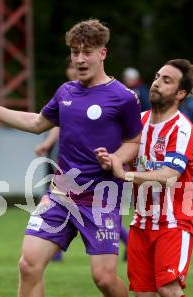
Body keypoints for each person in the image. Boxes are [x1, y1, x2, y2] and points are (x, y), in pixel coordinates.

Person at [0, 19, 142, 297]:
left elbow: (134, 142)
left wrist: (116, 158)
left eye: (87, 52)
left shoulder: (123, 97)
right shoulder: (65, 92)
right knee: (29, 265)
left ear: (102, 53)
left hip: (101, 197)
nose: (80, 59)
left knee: (104, 278)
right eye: (75, 52)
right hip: (62, 192)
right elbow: (36, 122)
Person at [96, 59, 193, 297]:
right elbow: (122, 157)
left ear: (181, 93)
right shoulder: (141, 122)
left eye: (168, 80)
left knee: (168, 288)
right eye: (158, 77)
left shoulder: (183, 129)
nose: (158, 83)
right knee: (144, 296)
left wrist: (125, 172)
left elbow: (170, 176)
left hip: (174, 222)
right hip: (141, 224)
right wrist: (111, 158)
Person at [35, 58, 130, 262]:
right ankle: (55, 251)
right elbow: (51, 123)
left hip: (90, 170)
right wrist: (48, 143)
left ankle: (129, 241)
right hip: (67, 160)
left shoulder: (113, 95)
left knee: (95, 209)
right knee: (58, 199)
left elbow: (131, 138)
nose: (74, 68)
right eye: (70, 64)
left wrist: (117, 157)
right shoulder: (67, 93)